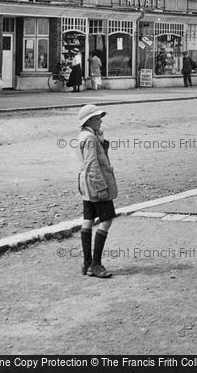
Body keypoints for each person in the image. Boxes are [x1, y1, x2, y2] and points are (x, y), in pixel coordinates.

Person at [77, 105, 117, 278]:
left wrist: (103, 143)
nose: (100, 120)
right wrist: (101, 187)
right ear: (89, 120)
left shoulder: (85, 136)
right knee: (106, 220)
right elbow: (93, 164)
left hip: (86, 184)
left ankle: (87, 262)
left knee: (88, 220)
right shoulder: (91, 139)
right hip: (96, 183)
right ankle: (96, 263)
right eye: (97, 118)